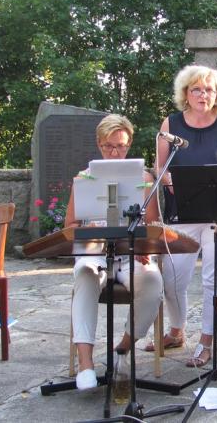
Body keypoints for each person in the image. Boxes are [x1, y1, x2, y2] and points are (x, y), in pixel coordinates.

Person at [148, 65, 217, 368]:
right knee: (173, 277)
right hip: (183, 210)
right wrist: (174, 183)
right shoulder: (170, 123)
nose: (204, 95)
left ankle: (206, 340)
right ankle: (177, 330)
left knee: (213, 279)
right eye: (197, 89)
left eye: (210, 90)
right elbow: (159, 170)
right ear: (185, 94)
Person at [64, 114, 163, 391]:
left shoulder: (144, 179)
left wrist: (145, 246)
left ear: (129, 144)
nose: (114, 152)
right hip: (96, 252)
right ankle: (86, 364)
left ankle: (122, 349)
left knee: (154, 282)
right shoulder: (84, 178)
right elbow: (70, 225)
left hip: (132, 254)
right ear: (98, 145)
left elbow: (153, 224)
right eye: (108, 146)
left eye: (119, 146)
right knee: (85, 275)